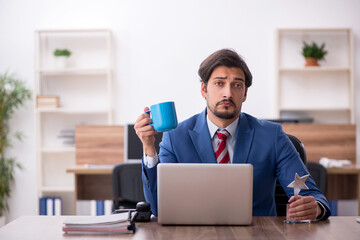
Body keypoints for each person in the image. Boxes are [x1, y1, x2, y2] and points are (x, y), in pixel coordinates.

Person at [134, 49, 330, 221]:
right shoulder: (176, 137)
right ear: (204, 89)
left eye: (237, 85)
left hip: (258, 233)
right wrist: (148, 148)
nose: (227, 93)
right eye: (219, 83)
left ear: (245, 93)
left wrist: (315, 208)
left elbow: (313, 196)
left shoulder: (272, 135)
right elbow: (159, 207)